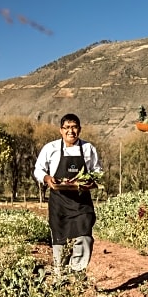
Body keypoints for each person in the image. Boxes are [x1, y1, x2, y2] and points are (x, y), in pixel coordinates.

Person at [34, 114, 103, 278]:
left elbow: (97, 172)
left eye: (74, 127)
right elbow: (39, 169)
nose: (71, 131)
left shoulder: (88, 149)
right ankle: (61, 276)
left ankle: (77, 273)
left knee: (85, 234)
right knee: (60, 239)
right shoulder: (50, 148)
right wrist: (47, 178)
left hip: (81, 202)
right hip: (59, 202)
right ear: (61, 130)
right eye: (67, 127)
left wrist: (91, 182)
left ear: (79, 129)